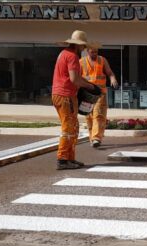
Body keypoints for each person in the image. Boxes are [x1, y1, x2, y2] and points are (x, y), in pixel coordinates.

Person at [51, 30, 99, 170]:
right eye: (83, 46)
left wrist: (87, 83)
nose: (84, 48)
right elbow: (74, 79)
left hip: (60, 94)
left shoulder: (64, 53)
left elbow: (74, 77)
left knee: (74, 127)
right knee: (68, 127)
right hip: (65, 96)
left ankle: (69, 158)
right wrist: (90, 86)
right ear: (79, 45)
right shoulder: (72, 56)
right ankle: (62, 159)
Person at [80, 44, 119, 148]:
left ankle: (96, 138)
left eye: (96, 52)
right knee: (88, 116)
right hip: (87, 94)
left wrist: (113, 79)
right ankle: (92, 138)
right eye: (92, 52)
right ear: (88, 51)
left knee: (99, 115)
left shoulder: (102, 60)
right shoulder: (81, 62)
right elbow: (77, 77)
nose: (95, 54)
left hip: (100, 92)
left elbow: (109, 72)